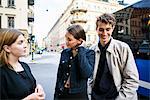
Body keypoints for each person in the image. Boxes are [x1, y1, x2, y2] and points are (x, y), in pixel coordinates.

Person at [90, 13, 139, 100]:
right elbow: (89, 77)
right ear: (96, 29)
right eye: (101, 29)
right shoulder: (92, 50)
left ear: (112, 29)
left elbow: (132, 80)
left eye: (108, 29)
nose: (104, 33)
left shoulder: (123, 48)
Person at [0, 28, 45, 100]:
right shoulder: (2, 72)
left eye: (25, 42)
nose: (25, 46)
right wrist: (29, 99)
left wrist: (38, 88)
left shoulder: (25, 66)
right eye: (20, 42)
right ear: (7, 48)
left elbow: (30, 87)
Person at [54, 25, 95, 100]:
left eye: (69, 39)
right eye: (66, 39)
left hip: (79, 95)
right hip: (63, 93)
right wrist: (56, 96)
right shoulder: (65, 53)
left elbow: (86, 74)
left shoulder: (89, 53)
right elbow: (59, 76)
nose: (66, 42)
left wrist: (81, 50)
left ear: (80, 41)